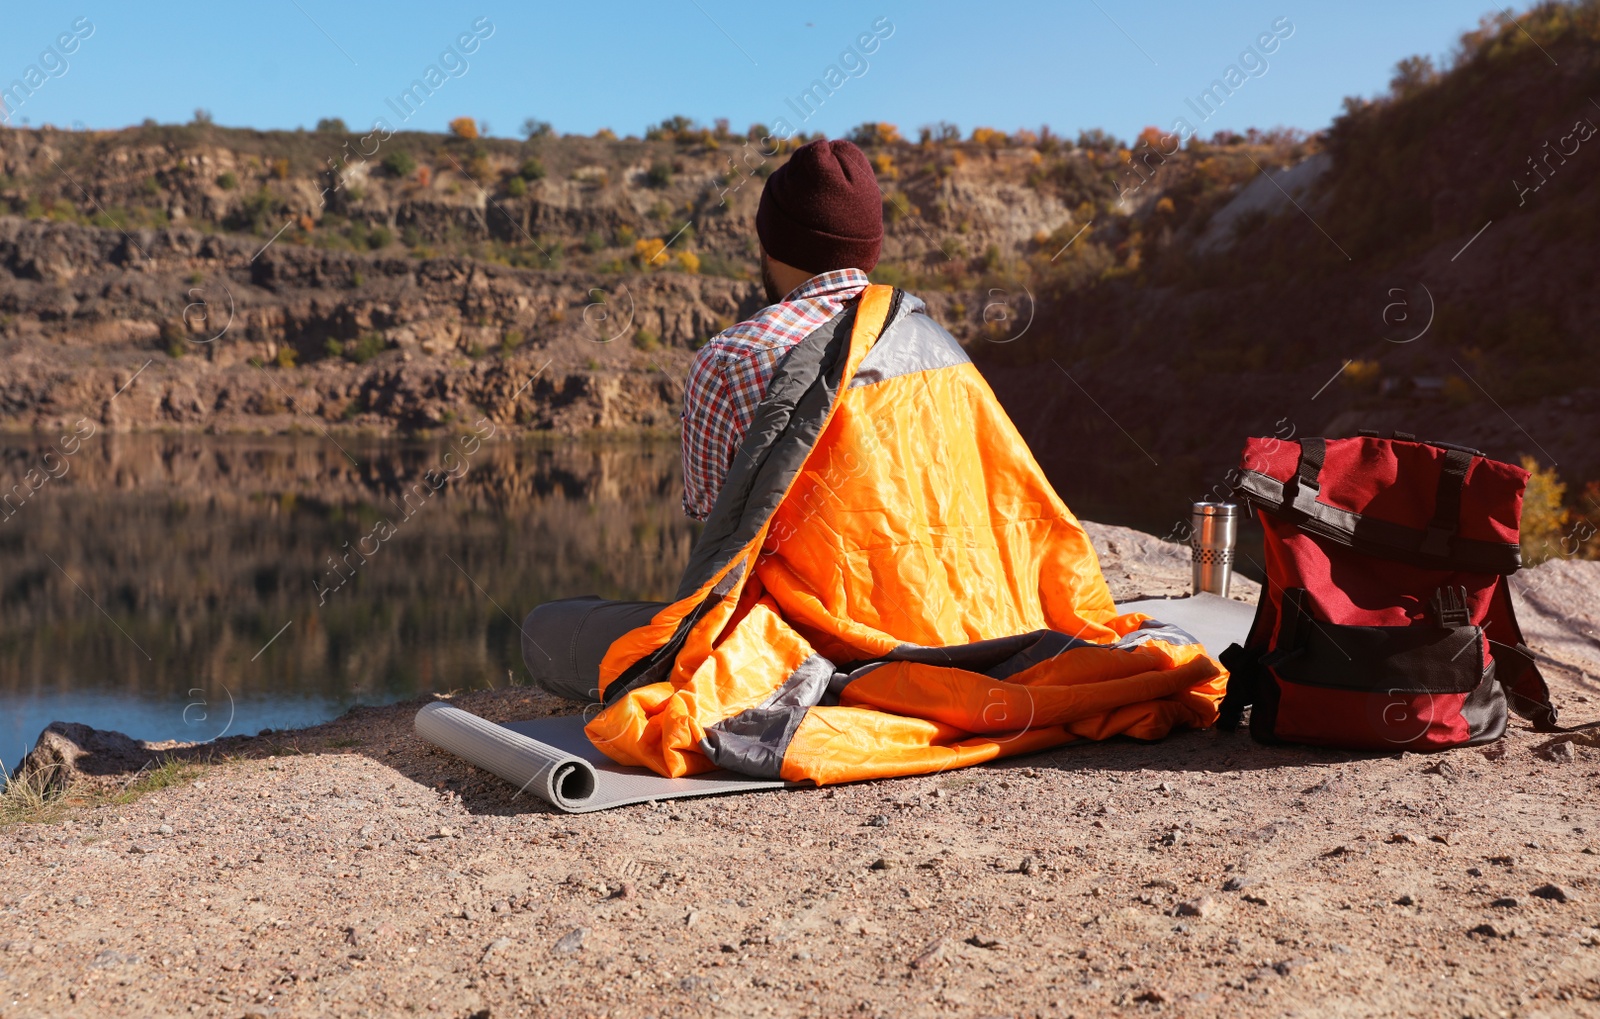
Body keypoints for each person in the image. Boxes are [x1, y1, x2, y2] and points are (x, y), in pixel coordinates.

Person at [521, 138, 886, 703]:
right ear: (870, 248)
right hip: (925, 628)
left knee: (550, 625)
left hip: (779, 649)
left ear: (772, 244)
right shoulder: (934, 346)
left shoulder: (733, 357)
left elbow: (716, 529)